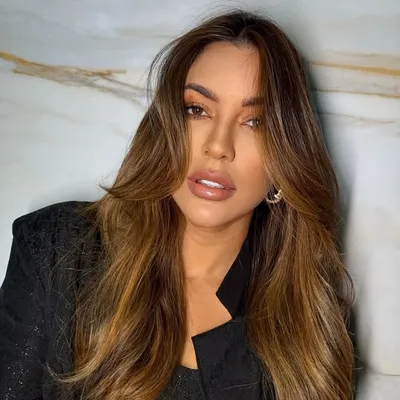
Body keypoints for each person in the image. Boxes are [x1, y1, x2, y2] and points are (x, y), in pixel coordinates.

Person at [0, 9, 358, 400]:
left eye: (256, 122)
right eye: (197, 110)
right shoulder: (56, 250)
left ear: (286, 158)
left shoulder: (310, 328)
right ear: (167, 126)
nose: (218, 146)